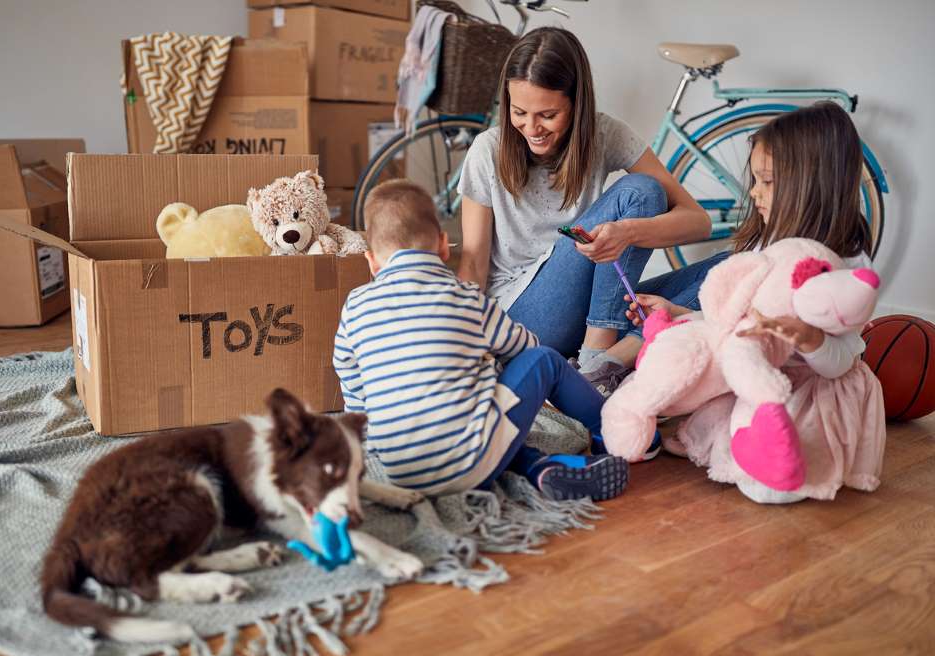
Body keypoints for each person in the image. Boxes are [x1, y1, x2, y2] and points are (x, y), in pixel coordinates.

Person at [625, 101, 885, 503]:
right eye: (756, 178)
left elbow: (842, 362)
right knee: (681, 372)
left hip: (811, 387)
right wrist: (680, 313)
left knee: (774, 478)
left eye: (766, 181)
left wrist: (809, 339)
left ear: (809, 186)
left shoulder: (843, 266)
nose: (752, 192)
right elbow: (741, 320)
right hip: (759, 368)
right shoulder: (768, 243)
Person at [332, 179, 630, 501]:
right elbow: (525, 348)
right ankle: (613, 431)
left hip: (399, 471)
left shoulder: (355, 305)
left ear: (371, 261)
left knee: (481, 421)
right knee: (542, 363)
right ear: (444, 246)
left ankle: (540, 469)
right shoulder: (465, 298)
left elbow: (352, 383)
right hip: (470, 460)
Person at [456, 26, 711, 396]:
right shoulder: (487, 151)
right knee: (640, 192)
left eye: (547, 114)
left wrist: (628, 233)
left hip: (588, 315)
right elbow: (473, 264)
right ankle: (600, 360)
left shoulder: (605, 134)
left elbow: (698, 222)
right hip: (522, 319)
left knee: (728, 273)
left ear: (577, 103)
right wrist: (462, 350)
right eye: (519, 112)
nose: (531, 128)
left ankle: (608, 359)